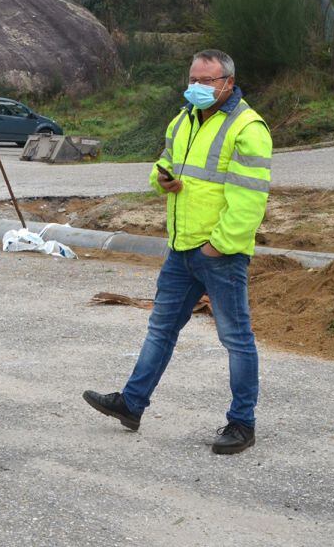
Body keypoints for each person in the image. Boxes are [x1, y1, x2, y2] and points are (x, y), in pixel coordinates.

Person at [83, 49, 273, 455]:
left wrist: (217, 245)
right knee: (161, 329)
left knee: (236, 340)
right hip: (181, 248)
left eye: (207, 81)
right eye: (193, 80)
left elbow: (250, 200)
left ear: (228, 83)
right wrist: (162, 179)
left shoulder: (248, 127)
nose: (198, 88)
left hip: (220, 253)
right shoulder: (182, 119)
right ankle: (132, 404)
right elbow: (163, 165)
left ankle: (242, 423)